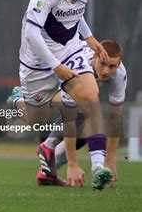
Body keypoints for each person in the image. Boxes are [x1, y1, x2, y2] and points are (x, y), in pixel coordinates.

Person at [9, 0, 114, 190]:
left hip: (69, 49)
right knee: (37, 121)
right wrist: (56, 67)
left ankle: (99, 167)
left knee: (90, 97)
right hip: (37, 59)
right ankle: (16, 100)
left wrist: (88, 37)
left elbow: (75, 14)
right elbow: (32, 33)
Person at [45, 40, 127, 187]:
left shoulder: (120, 75)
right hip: (47, 78)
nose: (106, 71)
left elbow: (115, 118)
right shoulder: (78, 69)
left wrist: (111, 161)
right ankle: (19, 101)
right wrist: (73, 164)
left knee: (86, 131)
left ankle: (50, 164)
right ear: (94, 57)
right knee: (81, 111)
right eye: (103, 64)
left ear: (119, 65)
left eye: (112, 66)